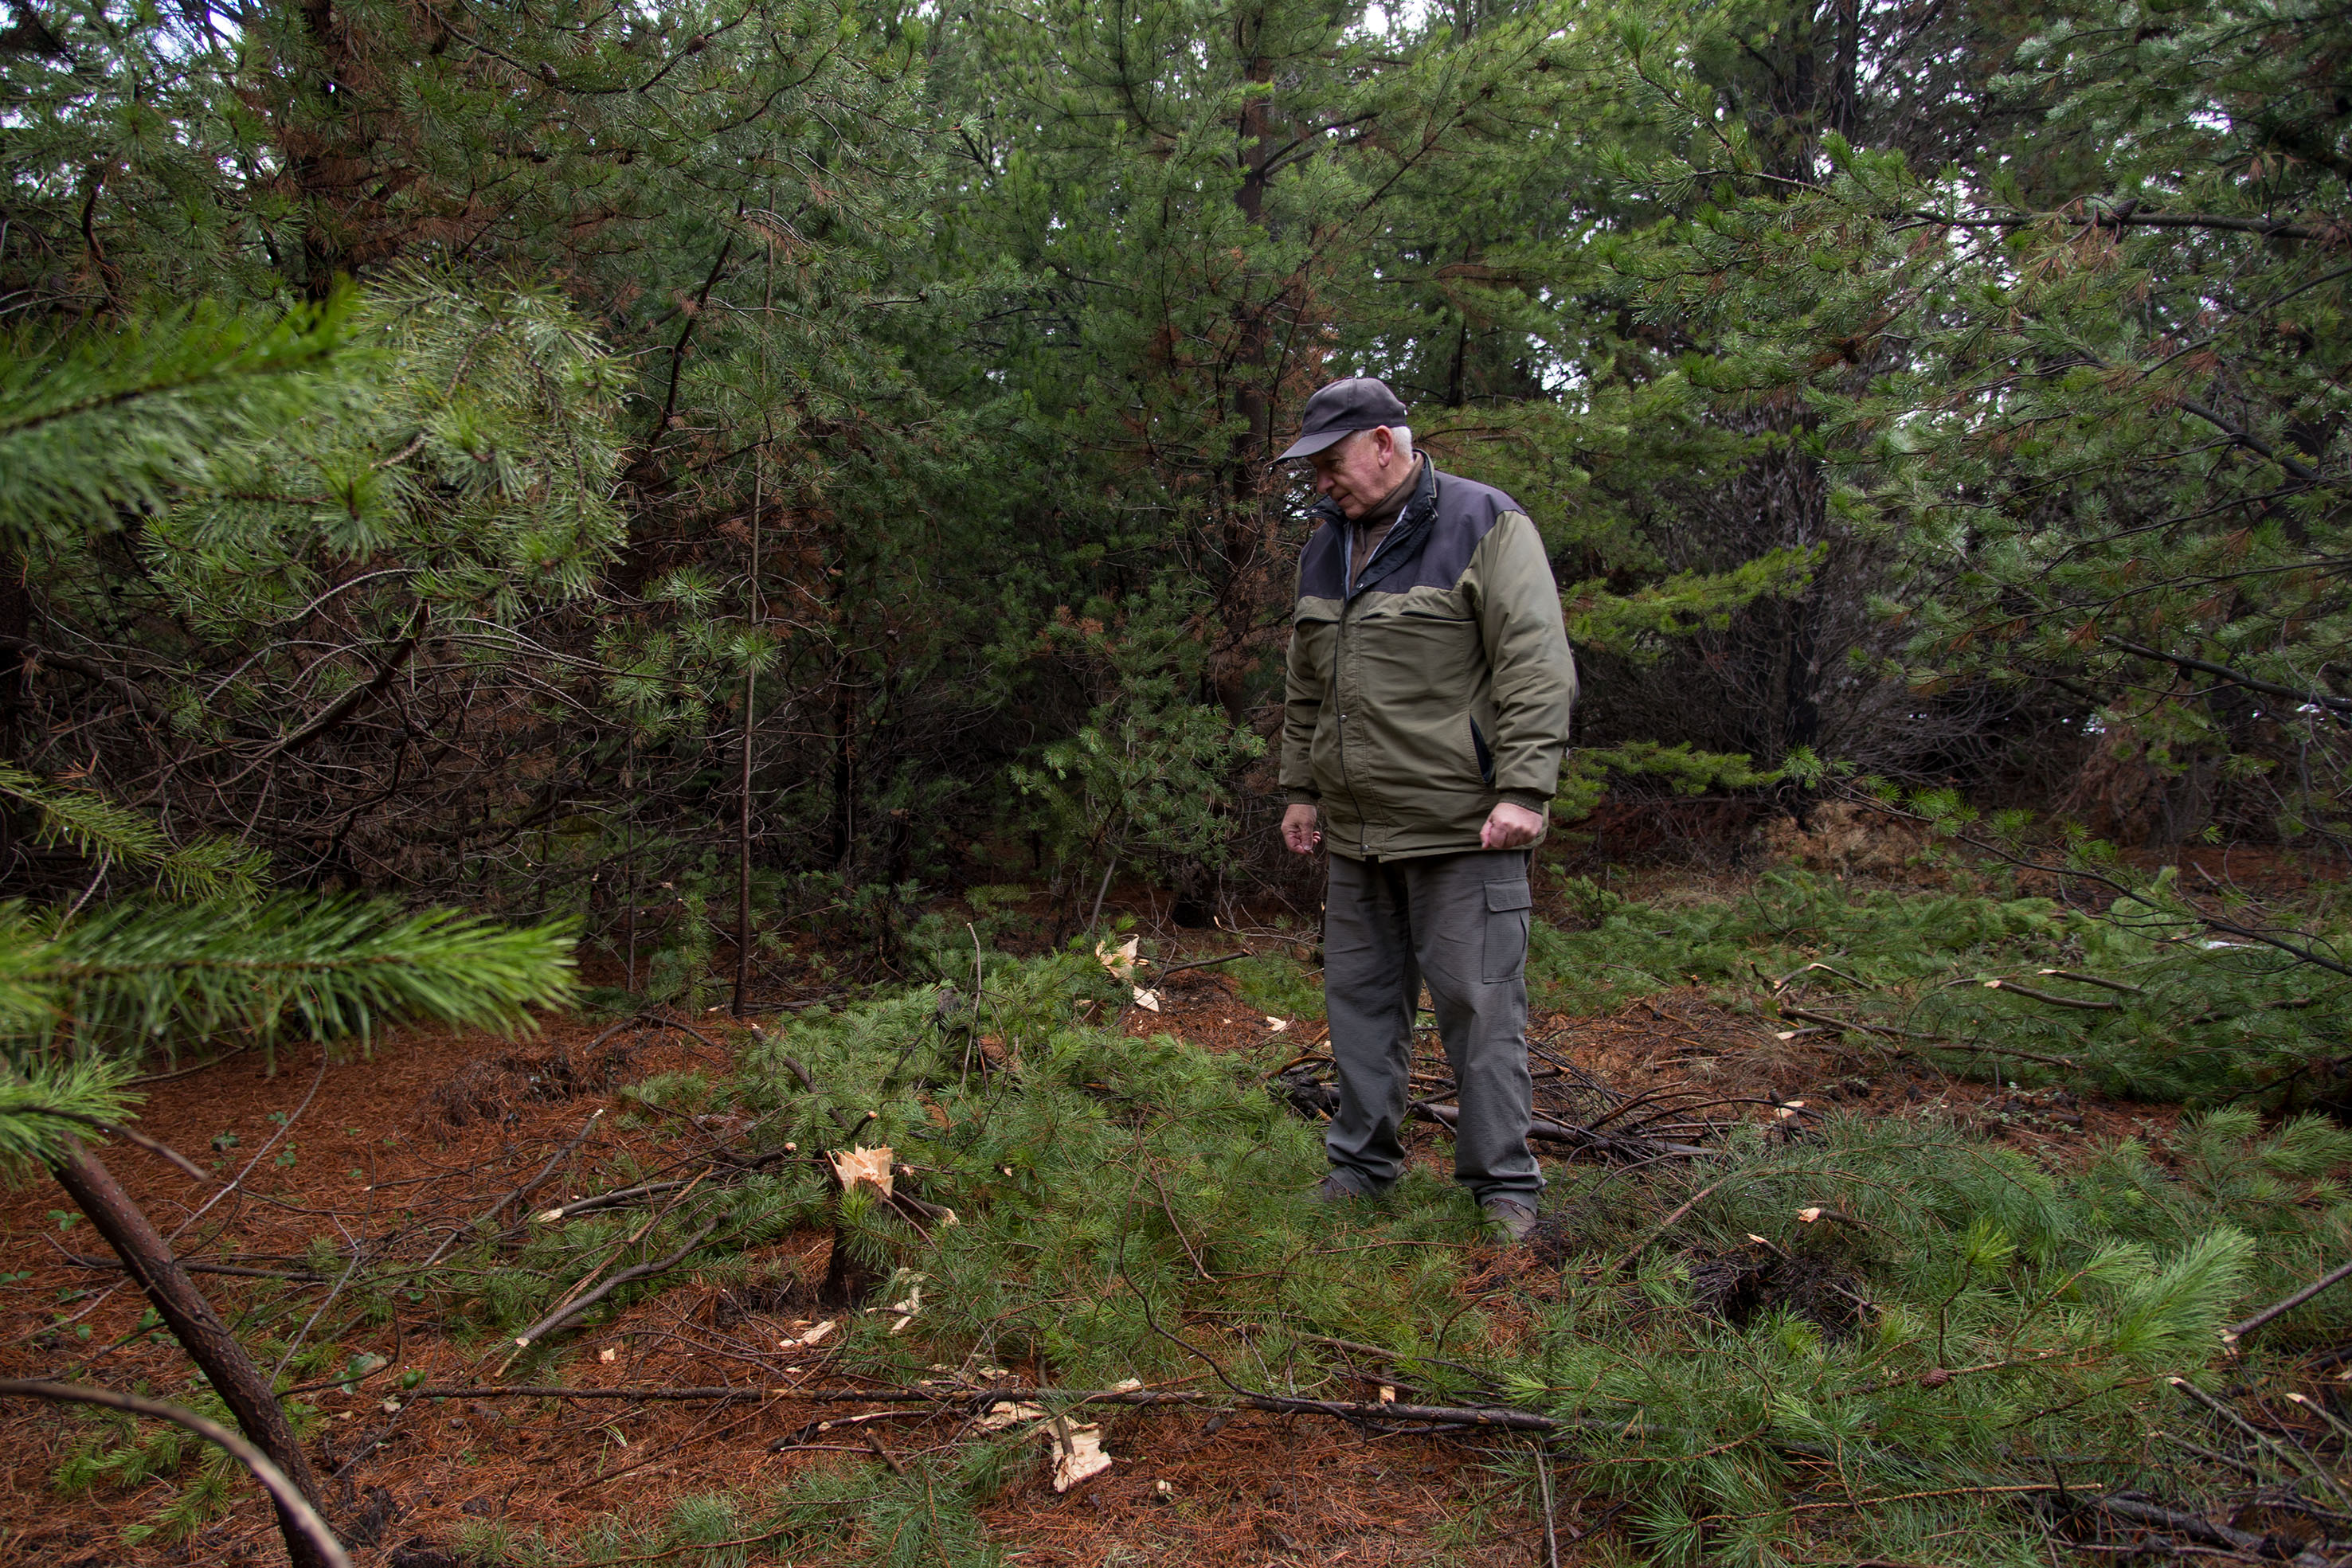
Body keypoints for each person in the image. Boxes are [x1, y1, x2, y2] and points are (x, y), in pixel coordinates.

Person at [1275, 376, 1577, 1242]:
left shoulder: (1485, 523)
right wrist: (1301, 789)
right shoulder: (1324, 546)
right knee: (1360, 1008)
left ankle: (1503, 1188)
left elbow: (1534, 662)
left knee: (1480, 1011)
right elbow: (1306, 687)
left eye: (1330, 462)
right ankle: (1361, 1170)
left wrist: (1524, 788)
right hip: (1355, 833)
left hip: (1462, 827)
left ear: (1383, 443)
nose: (1320, 482)